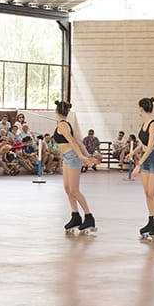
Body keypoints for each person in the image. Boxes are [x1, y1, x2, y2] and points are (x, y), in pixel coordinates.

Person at [53, 100, 97, 234]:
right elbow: (79, 141)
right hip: (67, 157)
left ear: (56, 112)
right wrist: (88, 156)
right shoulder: (67, 125)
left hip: (72, 157)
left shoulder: (63, 125)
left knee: (74, 190)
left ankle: (89, 217)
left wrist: (83, 157)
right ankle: (75, 216)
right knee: (67, 188)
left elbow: (73, 142)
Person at [132, 97, 154, 241]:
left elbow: (150, 146)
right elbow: (142, 143)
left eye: (138, 107)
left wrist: (139, 164)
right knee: (147, 193)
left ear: (141, 108)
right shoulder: (144, 123)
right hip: (145, 159)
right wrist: (132, 153)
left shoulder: (153, 125)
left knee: (152, 193)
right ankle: (151, 220)